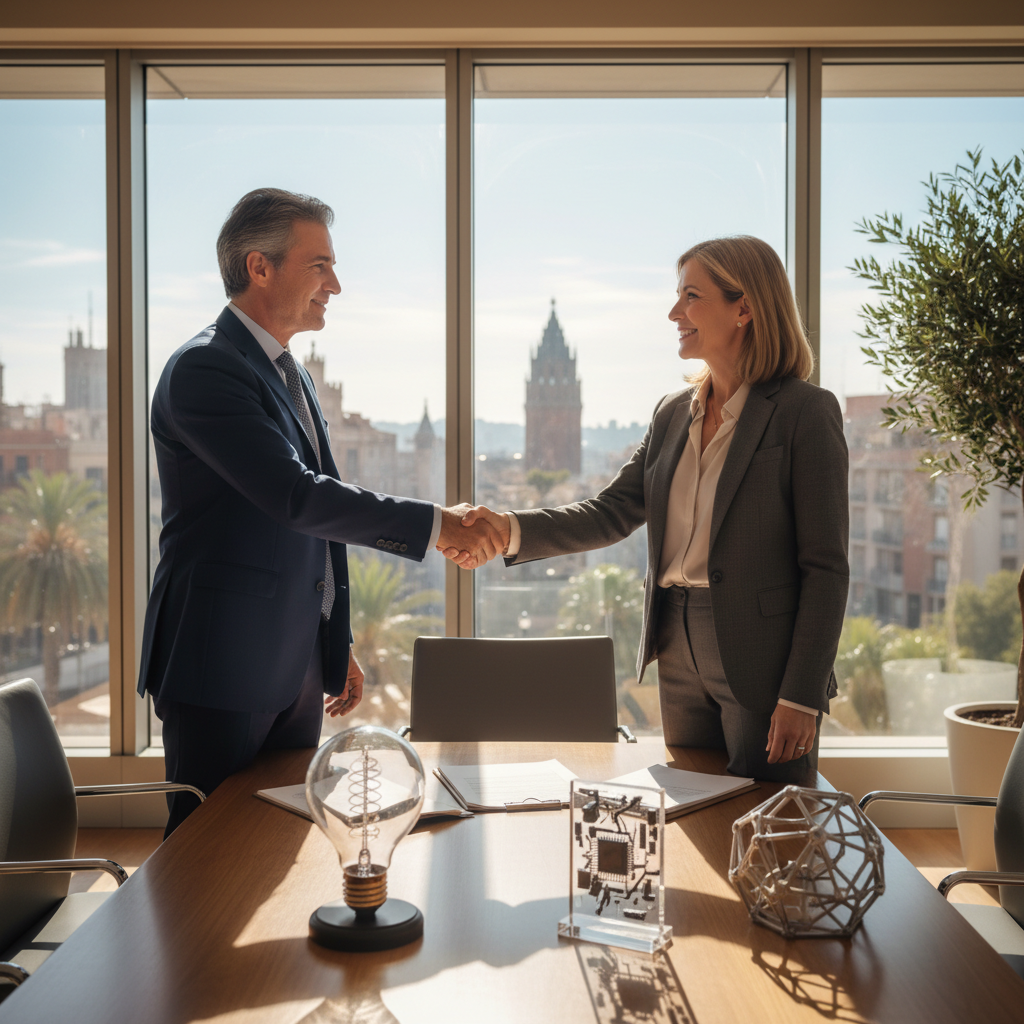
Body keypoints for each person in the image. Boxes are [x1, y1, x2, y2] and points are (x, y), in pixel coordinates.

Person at [139, 188, 501, 836]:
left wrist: (332, 642)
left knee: (277, 851)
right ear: (260, 266)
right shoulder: (204, 369)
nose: (336, 283)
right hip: (221, 664)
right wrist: (438, 524)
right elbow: (298, 497)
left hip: (294, 667)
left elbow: (311, 525)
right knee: (203, 864)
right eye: (321, 265)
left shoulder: (291, 374)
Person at [456, 236, 849, 782]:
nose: (674, 313)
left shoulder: (806, 412)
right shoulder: (671, 413)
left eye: (691, 296)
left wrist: (803, 696)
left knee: (768, 824)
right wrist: (510, 528)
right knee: (691, 803)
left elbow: (826, 569)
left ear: (746, 307)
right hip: (676, 643)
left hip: (763, 658)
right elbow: (611, 510)